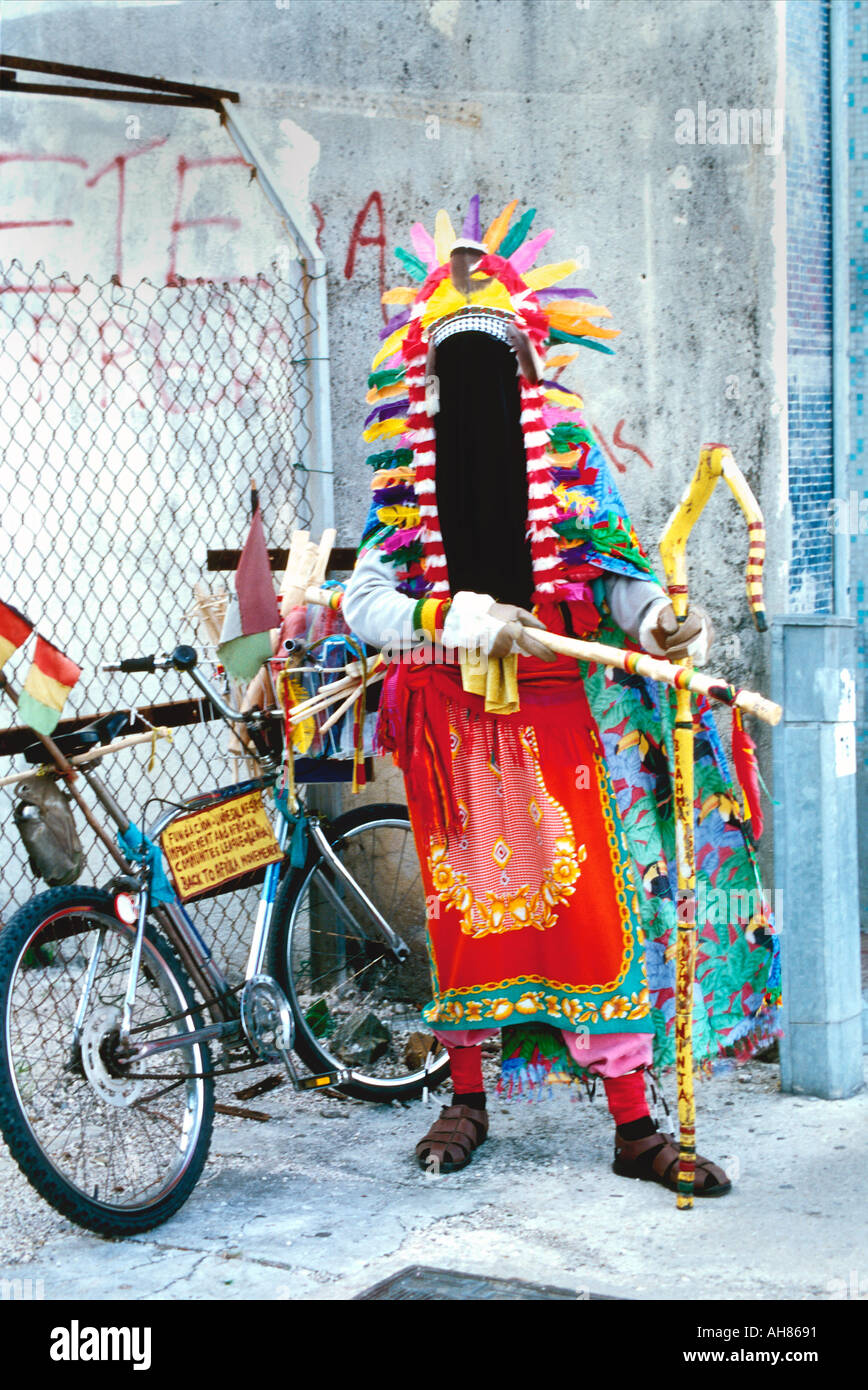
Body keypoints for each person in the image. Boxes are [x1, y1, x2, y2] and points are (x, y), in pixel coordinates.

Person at [343, 201, 779, 1194]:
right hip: (451, 730)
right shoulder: (408, 483)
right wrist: (448, 617)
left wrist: (657, 624)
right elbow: (366, 598)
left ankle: (633, 1124)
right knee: (467, 915)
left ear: (529, 374)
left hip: (563, 721)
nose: (475, 394)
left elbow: (619, 568)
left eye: (492, 368)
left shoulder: (571, 457)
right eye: (454, 375)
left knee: (589, 918)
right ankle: (466, 1097)